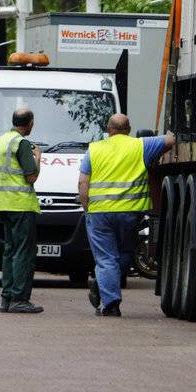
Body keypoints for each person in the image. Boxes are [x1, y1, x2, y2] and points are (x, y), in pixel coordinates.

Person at [80, 114, 174, 317]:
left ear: (108, 129)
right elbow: (171, 140)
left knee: (106, 259)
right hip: (130, 214)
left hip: (100, 214)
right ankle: (104, 285)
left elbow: (83, 183)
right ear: (129, 129)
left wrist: (87, 208)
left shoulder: (94, 149)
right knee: (123, 255)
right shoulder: (141, 145)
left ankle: (111, 303)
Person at [0, 106, 43, 314]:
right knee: (24, 253)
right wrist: (38, 157)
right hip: (20, 204)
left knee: (10, 251)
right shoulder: (22, 143)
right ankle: (19, 299)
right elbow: (31, 176)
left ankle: (7, 298)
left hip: (2, 203)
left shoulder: (1, 140)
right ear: (30, 123)